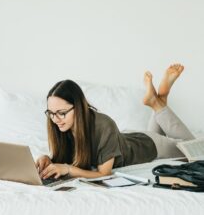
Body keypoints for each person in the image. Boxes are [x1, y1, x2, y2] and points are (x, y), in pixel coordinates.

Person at [36, 64, 195, 180]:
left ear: (78, 108)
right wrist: (47, 159)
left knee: (195, 149)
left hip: (149, 145)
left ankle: (158, 102)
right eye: (51, 113)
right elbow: (65, 157)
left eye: (62, 113)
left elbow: (103, 174)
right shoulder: (60, 125)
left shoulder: (103, 124)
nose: (55, 119)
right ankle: (160, 99)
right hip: (127, 139)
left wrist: (67, 169)